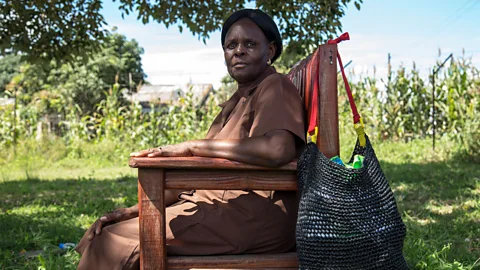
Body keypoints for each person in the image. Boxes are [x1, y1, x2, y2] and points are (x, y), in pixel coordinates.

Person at [75, 9, 305, 270]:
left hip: (253, 215)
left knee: (112, 241)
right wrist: (134, 209)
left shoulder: (275, 86)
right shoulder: (236, 101)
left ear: (271, 50)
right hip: (217, 207)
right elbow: (196, 178)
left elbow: (277, 149)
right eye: (231, 45)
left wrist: (192, 146)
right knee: (109, 229)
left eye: (250, 44)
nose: (238, 51)